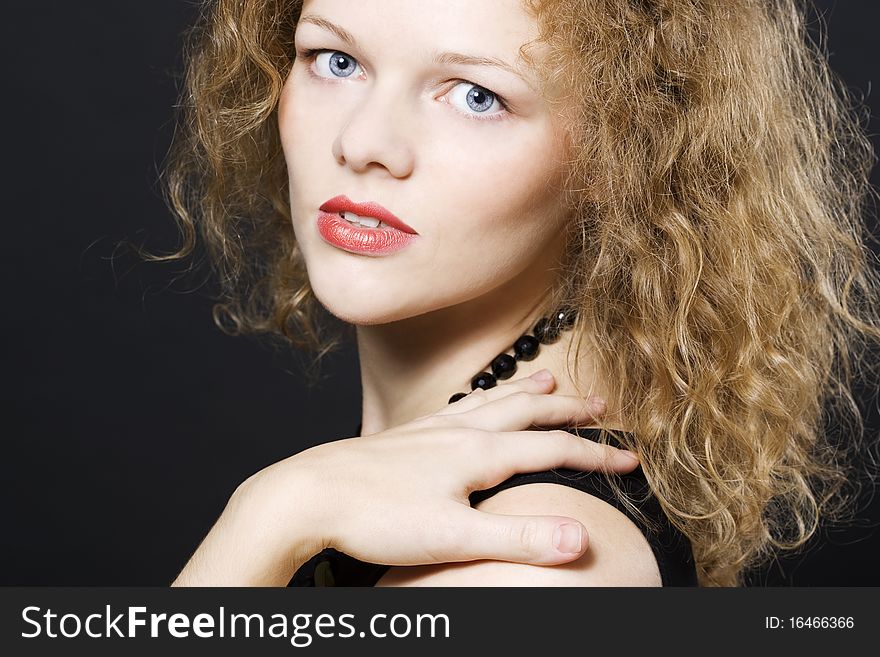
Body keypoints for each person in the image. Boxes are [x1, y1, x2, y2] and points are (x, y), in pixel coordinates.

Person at [156, 0, 880, 587]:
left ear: (618, 153)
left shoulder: (523, 565)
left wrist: (271, 516)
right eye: (335, 61)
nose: (364, 141)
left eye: (477, 96)